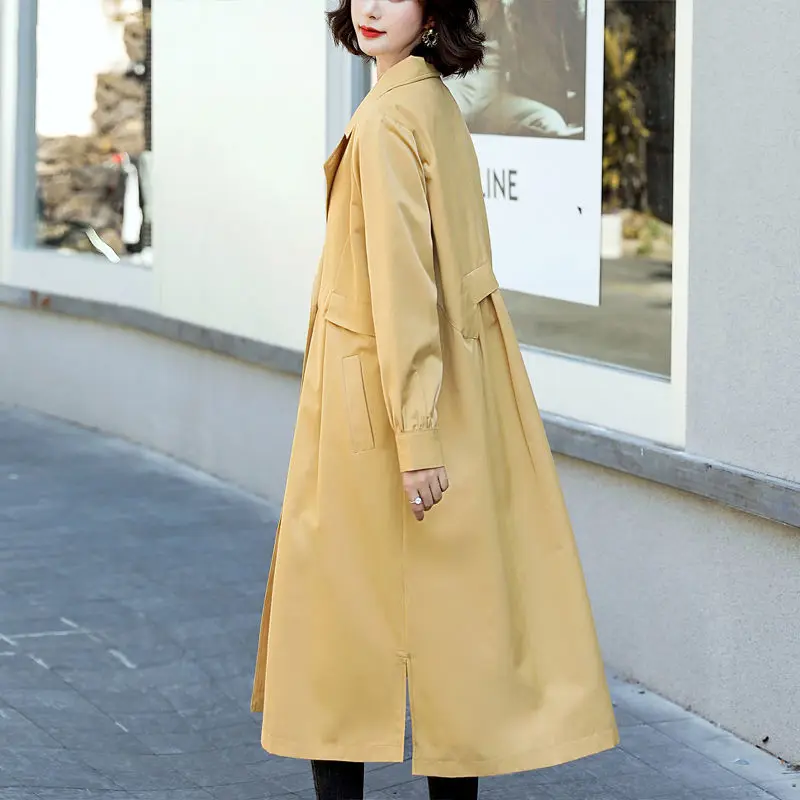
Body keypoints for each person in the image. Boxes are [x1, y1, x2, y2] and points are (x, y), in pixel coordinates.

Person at [250, 2, 619, 798]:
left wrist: (415, 436)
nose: (371, 7)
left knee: (338, 639)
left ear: (433, 11)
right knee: (460, 629)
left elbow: (403, 283)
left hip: (378, 402)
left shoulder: (392, 118)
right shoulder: (429, 101)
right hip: (449, 381)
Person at [444, 0, 582, 138]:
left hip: (492, 102)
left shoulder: (509, 12)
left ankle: (562, 139)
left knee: (548, 119)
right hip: (455, 93)